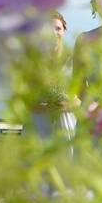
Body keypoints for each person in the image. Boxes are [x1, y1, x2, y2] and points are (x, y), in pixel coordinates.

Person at [30, 10, 78, 146]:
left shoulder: (74, 60)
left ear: (64, 31)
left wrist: (66, 105)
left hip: (66, 121)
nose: (54, 33)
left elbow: (84, 97)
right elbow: (23, 98)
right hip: (38, 122)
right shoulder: (33, 62)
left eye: (58, 28)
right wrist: (45, 108)